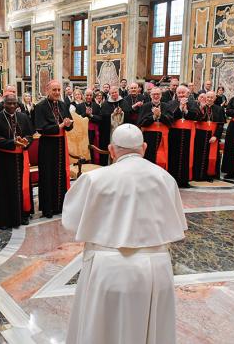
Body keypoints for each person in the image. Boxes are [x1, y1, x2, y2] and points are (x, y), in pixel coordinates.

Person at [62, 123, 188, 344]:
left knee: (103, 332)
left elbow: (71, 221)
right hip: (156, 269)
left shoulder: (94, 179)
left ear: (111, 150)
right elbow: (177, 221)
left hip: (108, 269)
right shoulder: (165, 178)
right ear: (145, 148)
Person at [0, 94, 34, 229]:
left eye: (15, 103)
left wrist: (26, 141)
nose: (12, 106)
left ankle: (23, 215)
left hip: (20, 158)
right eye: (9, 103)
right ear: (4, 104)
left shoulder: (23, 117)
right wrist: (12, 143)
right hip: (3, 159)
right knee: (5, 189)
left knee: (22, 187)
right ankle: (4, 219)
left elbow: (30, 134)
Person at [33, 80, 73, 218]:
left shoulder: (63, 105)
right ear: (47, 90)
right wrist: (61, 125)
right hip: (47, 146)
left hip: (61, 144)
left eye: (58, 90)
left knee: (60, 174)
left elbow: (70, 125)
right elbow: (41, 128)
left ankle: (60, 205)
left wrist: (67, 124)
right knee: (48, 175)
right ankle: (48, 208)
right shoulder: (40, 107)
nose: (56, 92)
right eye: (54, 90)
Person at [167, 85, 200, 188]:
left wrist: (186, 111)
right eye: (179, 93)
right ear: (176, 94)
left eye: (183, 93)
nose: (181, 95)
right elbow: (169, 117)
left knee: (186, 156)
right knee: (174, 156)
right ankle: (173, 179)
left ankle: (184, 180)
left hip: (188, 134)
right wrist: (180, 108)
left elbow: (197, 116)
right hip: (174, 133)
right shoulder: (171, 103)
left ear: (188, 94)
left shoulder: (193, 103)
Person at [192, 91, 226, 182]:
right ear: (205, 98)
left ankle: (209, 176)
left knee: (210, 157)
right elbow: (196, 119)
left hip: (212, 135)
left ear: (215, 99)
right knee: (198, 155)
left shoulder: (219, 109)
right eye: (208, 97)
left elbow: (220, 125)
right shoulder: (199, 107)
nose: (209, 99)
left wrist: (216, 136)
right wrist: (201, 109)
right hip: (200, 135)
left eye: (211, 97)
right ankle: (197, 175)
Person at [138, 87, 173, 169]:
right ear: (150, 95)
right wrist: (153, 117)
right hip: (148, 138)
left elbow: (171, 121)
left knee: (162, 158)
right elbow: (141, 123)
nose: (156, 96)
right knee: (148, 158)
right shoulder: (145, 106)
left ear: (161, 95)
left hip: (163, 138)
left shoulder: (166, 106)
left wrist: (160, 115)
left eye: (158, 94)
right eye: (154, 94)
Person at [76, 89, 102, 164]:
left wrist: (91, 115)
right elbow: (77, 119)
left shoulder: (96, 106)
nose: (89, 97)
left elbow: (100, 118)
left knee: (92, 148)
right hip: (83, 131)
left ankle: (93, 163)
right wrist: (85, 114)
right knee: (84, 148)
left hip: (93, 131)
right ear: (84, 96)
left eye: (90, 95)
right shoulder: (79, 106)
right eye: (87, 95)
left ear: (92, 96)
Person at [100, 86, 124, 165]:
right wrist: (112, 114)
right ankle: (109, 164)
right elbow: (103, 117)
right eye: (112, 93)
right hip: (110, 130)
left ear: (118, 92)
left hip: (122, 131)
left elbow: (127, 113)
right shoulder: (105, 104)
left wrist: (122, 113)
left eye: (115, 92)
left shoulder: (124, 102)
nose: (114, 94)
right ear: (110, 94)